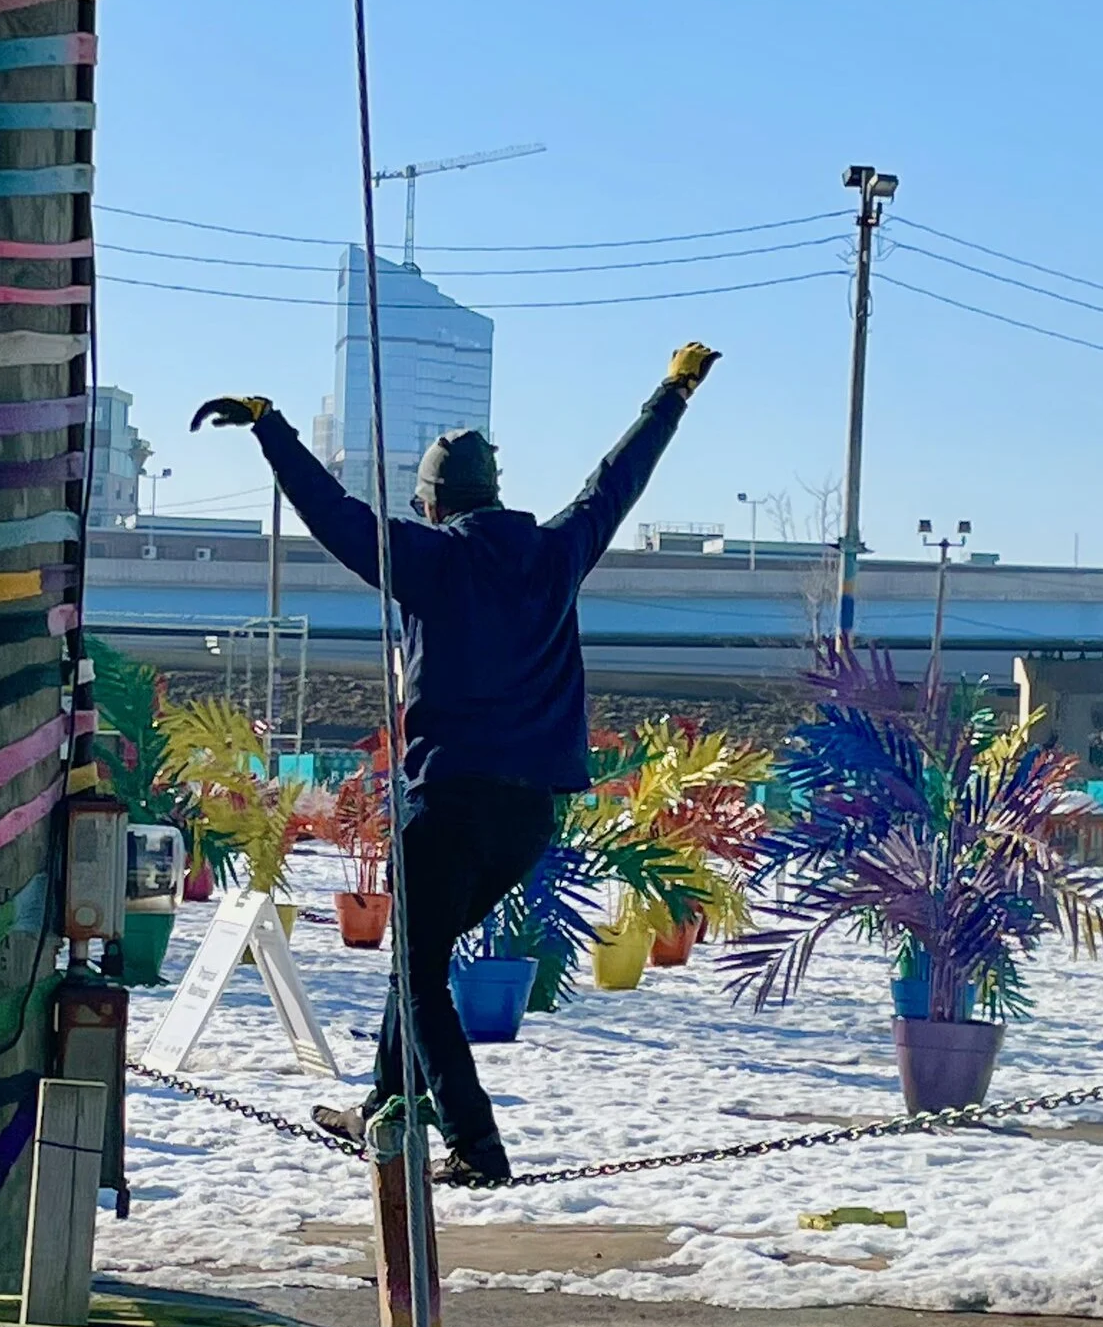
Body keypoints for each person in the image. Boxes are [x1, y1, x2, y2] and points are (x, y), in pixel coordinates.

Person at [190, 341, 719, 1183]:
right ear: (495, 493)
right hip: (528, 816)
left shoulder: (430, 558)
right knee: (420, 959)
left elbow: (336, 515)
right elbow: (616, 481)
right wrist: (672, 393)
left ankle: (476, 1143)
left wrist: (272, 430)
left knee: (419, 972)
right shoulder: (558, 551)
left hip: (449, 806)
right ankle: (386, 1102)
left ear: (434, 504)